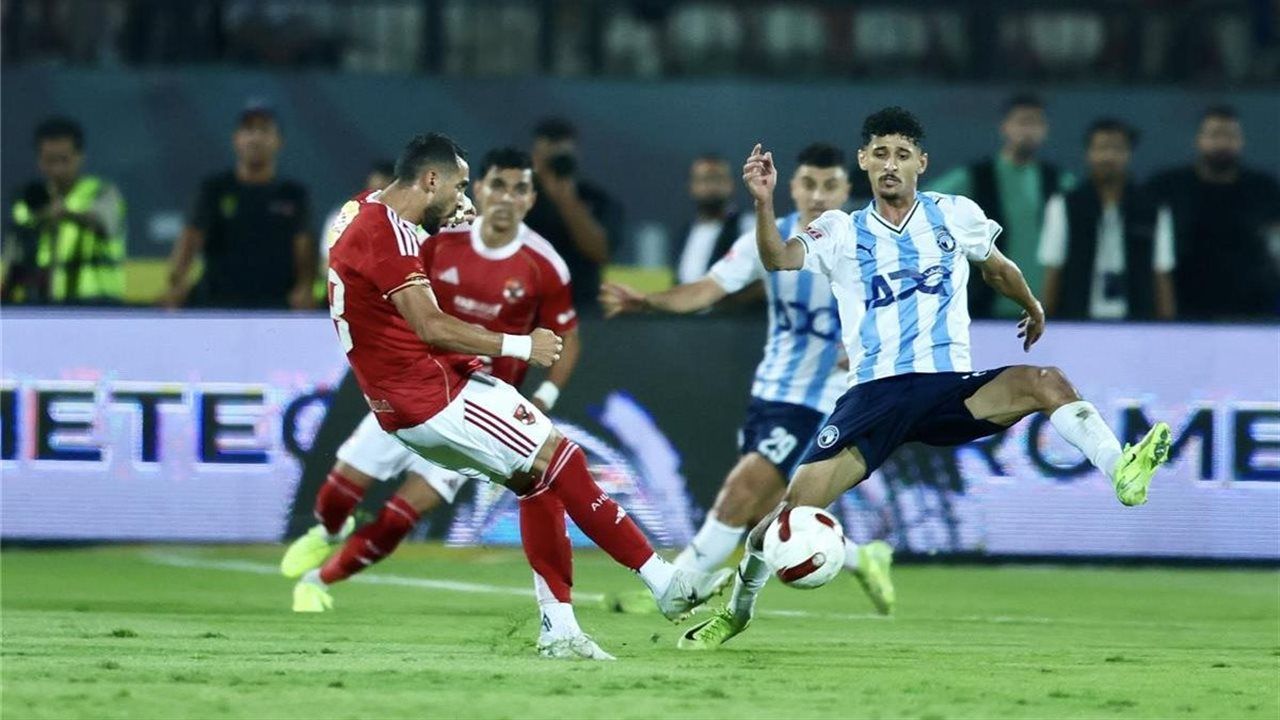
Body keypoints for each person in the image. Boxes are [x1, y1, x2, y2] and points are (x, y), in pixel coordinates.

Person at [681, 107, 1173, 650]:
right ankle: (737, 613)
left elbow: (997, 266)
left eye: (902, 154)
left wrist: (1031, 303)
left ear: (921, 162)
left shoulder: (954, 213)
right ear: (864, 161)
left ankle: (1121, 470)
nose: (890, 164)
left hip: (948, 389)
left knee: (1046, 380)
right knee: (783, 521)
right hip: (874, 396)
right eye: (880, 154)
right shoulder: (841, 230)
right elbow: (777, 258)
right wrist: (763, 201)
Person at [322, 132, 729, 658]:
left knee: (536, 483)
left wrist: (435, 220)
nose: (464, 198)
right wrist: (521, 344)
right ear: (430, 179)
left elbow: (382, 274)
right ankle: (664, 582)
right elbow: (431, 325)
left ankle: (560, 629)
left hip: (401, 401)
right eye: (460, 186)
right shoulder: (391, 236)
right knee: (563, 459)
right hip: (436, 392)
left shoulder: (360, 210)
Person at [284, 147, 597, 658]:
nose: (500, 197)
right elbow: (407, 296)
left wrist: (544, 394)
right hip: (412, 382)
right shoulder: (431, 235)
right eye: (488, 185)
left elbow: (568, 337)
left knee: (403, 514)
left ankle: (319, 580)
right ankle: (328, 528)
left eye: (519, 188)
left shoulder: (543, 263)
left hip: (473, 402)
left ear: (531, 199)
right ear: (471, 188)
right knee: (342, 490)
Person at [600, 142, 894, 615]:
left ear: (846, 190)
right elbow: (709, 288)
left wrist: (871, 343)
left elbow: (905, 305)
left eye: (830, 185)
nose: (818, 195)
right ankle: (863, 557)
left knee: (739, 493)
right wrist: (648, 301)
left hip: (822, 401)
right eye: (809, 184)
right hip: (770, 392)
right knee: (767, 511)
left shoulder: (868, 245)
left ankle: (676, 586)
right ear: (793, 187)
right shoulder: (771, 239)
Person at [928, 94, 1073, 319]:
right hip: (983, 306)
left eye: (1035, 123)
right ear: (1004, 127)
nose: (1028, 130)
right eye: (1022, 122)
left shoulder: (1060, 182)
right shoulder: (976, 177)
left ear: (1045, 130)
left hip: (1047, 308)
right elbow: (922, 204)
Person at [163, 103, 315, 310]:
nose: (255, 138)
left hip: (276, 307)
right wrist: (176, 283)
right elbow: (190, 238)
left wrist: (305, 288)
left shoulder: (293, 195)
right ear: (236, 139)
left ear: (279, 141)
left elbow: (304, 247)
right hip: (217, 305)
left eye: (264, 130)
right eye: (248, 130)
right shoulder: (214, 190)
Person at [1147, 106, 1280, 319]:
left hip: (1252, 309)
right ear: (1198, 140)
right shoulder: (1168, 187)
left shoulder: (1264, 189)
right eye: (1215, 135)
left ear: (1241, 141)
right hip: (1185, 306)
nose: (1222, 143)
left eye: (1230, 136)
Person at [1039, 119, 1176, 320]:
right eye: (1101, 148)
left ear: (1129, 154)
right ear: (1088, 153)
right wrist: (1044, 322)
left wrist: (1167, 326)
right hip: (1077, 318)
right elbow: (1054, 269)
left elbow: (1161, 272)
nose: (1108, 157)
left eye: (1117, 149)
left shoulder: (1152, 209)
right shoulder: (1063, 205)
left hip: (1137, 320)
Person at [4, 116, 126, 305]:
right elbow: (15, 257)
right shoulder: (28, 200)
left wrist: (66, 214)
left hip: (98, 307)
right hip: (41, 306)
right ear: (39, 160)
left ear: (80, 157)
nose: (57, 170)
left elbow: (106, 225)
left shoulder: (101, 193)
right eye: (50, 161)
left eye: (64, 160)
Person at [524, 117, 622, 310]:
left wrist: (566, 198)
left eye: (562, 158)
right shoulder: (520, 198)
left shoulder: (596, 200)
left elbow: (600, 252)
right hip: (525, 304)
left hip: (580, 306)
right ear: (534, 157)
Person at [673, 153, 755, 283]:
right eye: (704, 180)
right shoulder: (684, 233)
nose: (711, 187)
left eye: (718, 179)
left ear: (731, 184)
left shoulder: (747, 227)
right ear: (692, 186)